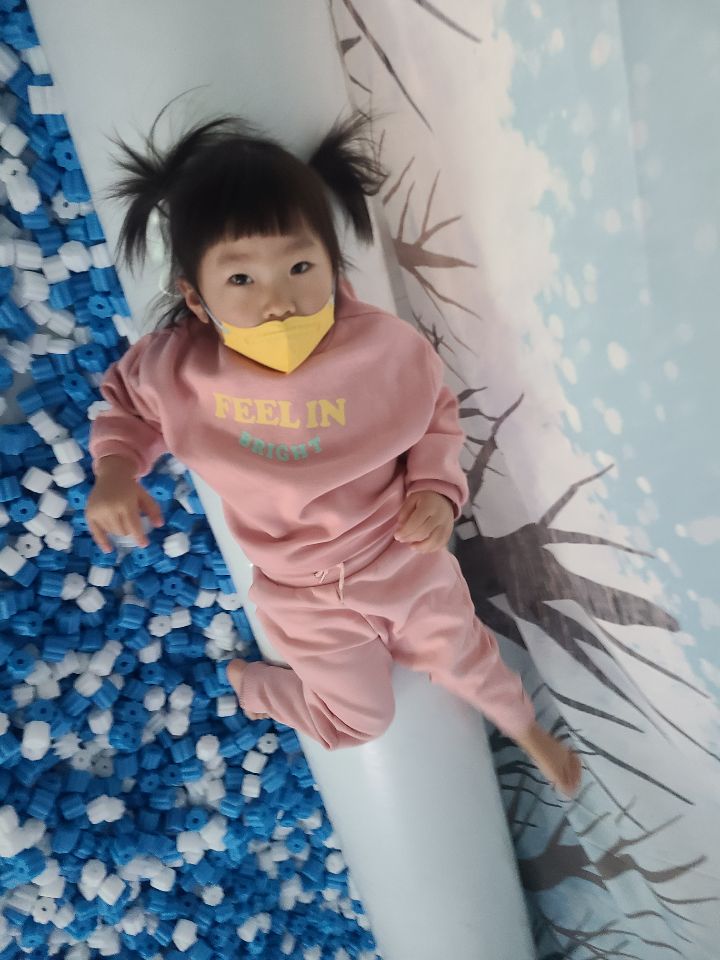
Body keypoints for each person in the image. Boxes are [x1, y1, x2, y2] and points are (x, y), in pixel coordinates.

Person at [86, 108, 581, 797]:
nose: (279, 302)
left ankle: (526, 730)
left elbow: (434, 416)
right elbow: (126, 404)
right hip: (304, 592)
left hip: (396, 552)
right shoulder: (182, 369)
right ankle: (254, 688)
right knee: (359, 721)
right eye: (241, 281)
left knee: (462, 649)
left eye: (299, 267)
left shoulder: (381, 348)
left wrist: (435, 490)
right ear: (196, 299)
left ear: (333, 265)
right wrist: (115, 471)